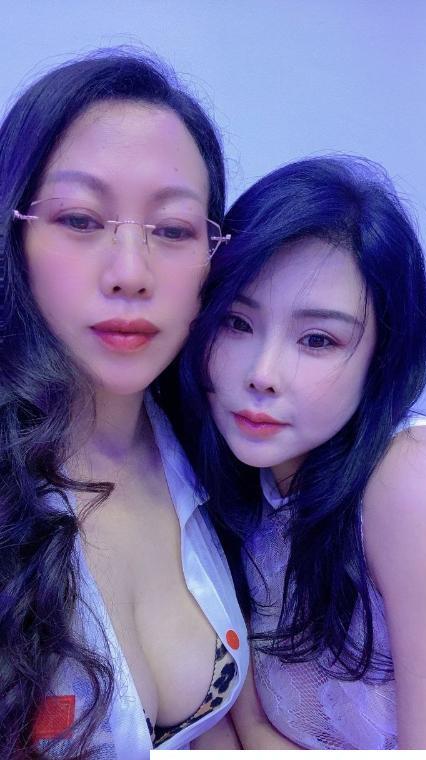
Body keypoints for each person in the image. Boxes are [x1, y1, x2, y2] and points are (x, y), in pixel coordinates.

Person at [0, 49, 248, 759]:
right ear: (13, 238)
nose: (131, 273)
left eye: (172, 230)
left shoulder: (222, 452)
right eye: (81, 219)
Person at [179, 156, 426, 750]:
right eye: (237, 323)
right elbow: (248, 727)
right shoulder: (233, 479)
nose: (263, 374)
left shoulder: (416, 480)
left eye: (318, 339)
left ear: (383, 356)